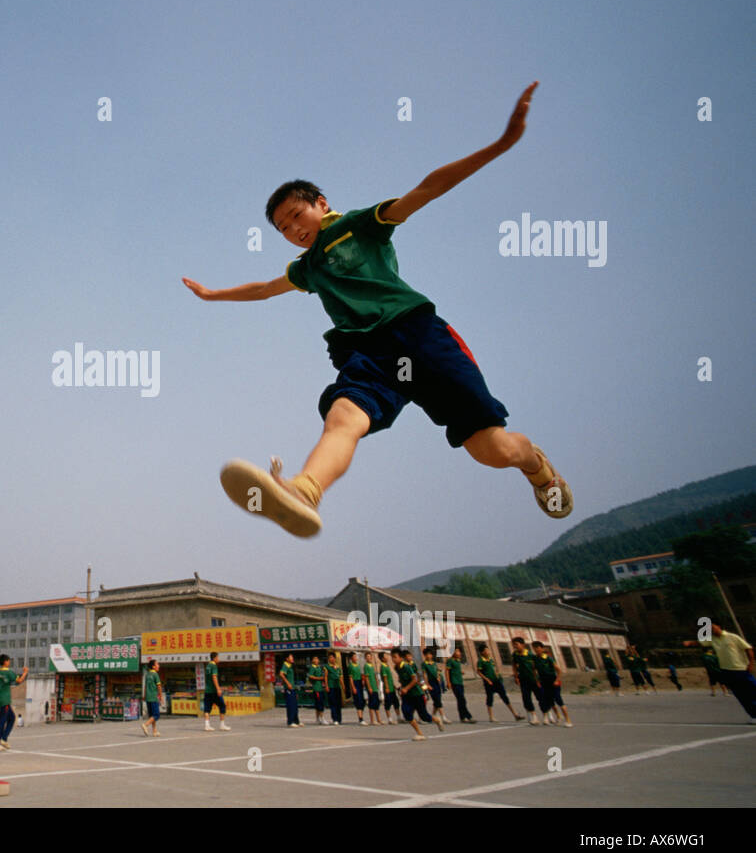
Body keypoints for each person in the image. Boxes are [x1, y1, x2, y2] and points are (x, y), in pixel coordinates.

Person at [185, 82, 573, 540]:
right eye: (283, 227)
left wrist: (500, 144)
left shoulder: (360, 226)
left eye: (296, 215)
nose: (292, 229)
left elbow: (427, 189)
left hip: (419, 335)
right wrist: (212, 295)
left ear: (321, 204)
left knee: (493, 450)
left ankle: (536, 465)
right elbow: (265, 289)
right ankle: (304, 491)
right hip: (366, 351)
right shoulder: (306, 268)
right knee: (344, 415)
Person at [709, 621, 756, 721]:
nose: (712, 629)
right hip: (727, 671)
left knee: (753, 690)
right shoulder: (712, 640)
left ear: (719, 627)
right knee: (741, 696)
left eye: (713, 627)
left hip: (741, 669)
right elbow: (698, 642)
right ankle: (754, 715)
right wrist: (689, 643)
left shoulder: (732, 637)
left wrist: (751, 664)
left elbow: (748, 648)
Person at [395, 649, 441, 740]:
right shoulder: (396, 668)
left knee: (424, 716)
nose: (393, 659)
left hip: (417, 693)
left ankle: (437, 720)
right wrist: (400, 687)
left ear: (401, 658)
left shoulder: (407, 667)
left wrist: (422, 685)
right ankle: (420, 734)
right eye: (392, 657)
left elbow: (415, 679)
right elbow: (402, 679)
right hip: (407, 695)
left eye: (395, 657)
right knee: (406, 712)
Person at [0, 654, 28, 751]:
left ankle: (3, 739)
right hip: (6, 700)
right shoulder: (9, 673)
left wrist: (0, 686)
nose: (9, 662)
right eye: (9, 660)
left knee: (11, 718)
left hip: (1, 699)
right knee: (2, 722)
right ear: (5, 662)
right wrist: (25, 672)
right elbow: (19, 680)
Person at [476, 646, 522, 722]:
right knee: (490, 698)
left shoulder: (490, 659)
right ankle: (491, 717)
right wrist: (487, 680)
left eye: (488, 650)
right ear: (482, 652)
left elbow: (494, 669)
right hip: (489, 682)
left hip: (497, 681)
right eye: (486, 650)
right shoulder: (481, 661)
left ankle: (515, 714)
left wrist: (498, 674)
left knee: (504, 697)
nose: (488, 651)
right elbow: (478, 672)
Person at [533, 641, 572, 728]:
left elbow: (559, 670)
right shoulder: (535, 659)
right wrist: (537, 681)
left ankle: (568, 720)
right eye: (535, 649)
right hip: (544, 682)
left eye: (538, 648)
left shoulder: (548, 658)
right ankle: (558, 716)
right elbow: (534, 670)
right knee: (550, 701)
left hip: (553, 682)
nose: (536, 650)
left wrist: (557, 680)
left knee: (559, 700)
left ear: (542, 649)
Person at [511, 637, 547, 725]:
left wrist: (538, 680)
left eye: (516, 644)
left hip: (534, 680)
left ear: (523, 645)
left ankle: (546, 715)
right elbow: (514, 666)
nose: (515, 646)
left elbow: (535, 668)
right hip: (523, 680)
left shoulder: (531, 655)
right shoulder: (515, 654)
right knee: (526, 698)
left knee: (540, 698)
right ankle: (534, 716)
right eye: (514, 645)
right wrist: (516, 677)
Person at [203, 652, 231, 732]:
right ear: (214, 658)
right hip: (214, 691)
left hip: (207, 690)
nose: (219, 659)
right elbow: (214, 677)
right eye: (218, 657)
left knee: (207, 708)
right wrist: (218, 689)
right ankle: (222, 725)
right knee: (222, 706)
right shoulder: (214, 666)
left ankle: (207, 725)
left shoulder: (208, 666)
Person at [445, 646, 475, 723]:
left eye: (459, 651)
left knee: (461, 700)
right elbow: (447, 671)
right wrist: (448, 682)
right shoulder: (450, 661)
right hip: (454, 683)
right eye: (457, 651)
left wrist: (461, 672)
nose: (459, 653)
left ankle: (462, 717)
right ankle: (468, 716)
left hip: (460, 682)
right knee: (462, 699)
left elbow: (455, 670)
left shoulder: (458, 661)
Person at [421, 647, 448, 727]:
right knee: (437, 700)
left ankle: (431, 716)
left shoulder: (434, 663)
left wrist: (439, 677)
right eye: (426, 655)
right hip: (431, 683)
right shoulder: (424, 664)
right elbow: (425, 675)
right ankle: (443, 716)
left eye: (429, 654)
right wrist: (427, 685)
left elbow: (438, 672)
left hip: (437, 683)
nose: (428, 656)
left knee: (437, 700)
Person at [142, 659, 164, 736]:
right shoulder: (155, 674)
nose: (159, 666)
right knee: (156, 715)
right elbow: (159, 686)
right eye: (157, 664)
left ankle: (154, 731)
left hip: (148, 697)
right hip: (154, 697)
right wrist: (161, 696)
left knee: (152, 715)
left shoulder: (147, 675)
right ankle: (145, 725)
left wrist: (144, 696)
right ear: (153, 666)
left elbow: (145, 687)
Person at [279, 654, 301, 727]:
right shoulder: (285, 665)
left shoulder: (291, 666)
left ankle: (296, 721)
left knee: (295, 705)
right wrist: (287, 683)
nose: (292, 659)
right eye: (291, 657)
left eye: (292, 657)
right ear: (287, 658)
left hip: (293, 688)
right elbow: (281, 674)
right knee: (291, 705)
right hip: (288, 689)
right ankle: (290, 722)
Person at [379, 652, 401, 725]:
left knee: (396, 702)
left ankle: (399, 717)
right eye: (385, 656)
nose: (387, 657)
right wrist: (387, 687)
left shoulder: (387, 665)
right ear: (382, 658)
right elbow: (385, 678)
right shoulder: (383, 666)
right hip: (388, 688)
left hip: (392, 687)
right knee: (388, 703)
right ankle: (389, 719)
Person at [307, 655, 328, 725]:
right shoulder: (312, 667)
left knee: (319, 703)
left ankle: (318, 718)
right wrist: (319, 678)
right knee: (320, 704)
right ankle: (322, 718)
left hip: (320, 688)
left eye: (317, 659)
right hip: (316, 688)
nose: (316, 660)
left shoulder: (319, 667)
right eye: (314, 659)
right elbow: (310, 676)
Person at [347, 653, 367, 725]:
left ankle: (362, 716)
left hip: (359, 683)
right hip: (355, 683)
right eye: (354, 656)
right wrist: (353, 687)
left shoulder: (358, 665)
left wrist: (363, 680)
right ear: (351, 658)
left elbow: (361, 674)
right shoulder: (350, 666)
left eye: (356, 656)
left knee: (362, 701)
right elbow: (351, 678)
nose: (356, 658)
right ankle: (360, 718)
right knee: (358, 701)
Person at [363, 652, 382, 725]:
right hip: (370, 687)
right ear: (365, 658)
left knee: (376, 703)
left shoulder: (372, 666)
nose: (369, 658)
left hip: (375, 687)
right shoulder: (366, 666)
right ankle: (372, 720)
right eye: (367, 656)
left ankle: (379, 719)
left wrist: (377, 681)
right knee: (371, 704)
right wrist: (369, 687)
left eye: (370, 656)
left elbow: (374, 675)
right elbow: (366, 678)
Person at [325, 651, 344, 725]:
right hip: (331, 687)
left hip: (337, 686)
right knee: (333, 703)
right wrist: (326, 686)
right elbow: (326, 677)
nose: (331, 659)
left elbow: (340, 677)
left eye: (332, 657)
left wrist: (343, 686)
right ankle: (335, 718)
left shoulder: (338, 667)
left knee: (338, 703)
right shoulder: (327, 667)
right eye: (330, 658)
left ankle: (339, 719)